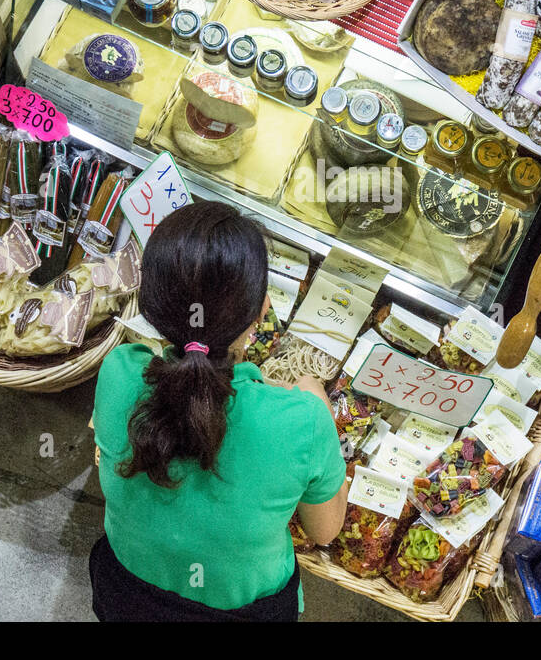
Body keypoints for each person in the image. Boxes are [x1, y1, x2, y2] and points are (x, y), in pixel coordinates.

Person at [89, 201, 347, 621]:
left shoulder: (119, 372)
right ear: (262, 311)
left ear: (149, 303)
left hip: (125, 597)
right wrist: (312, 394)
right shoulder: (303, 421)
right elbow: (325, 531)